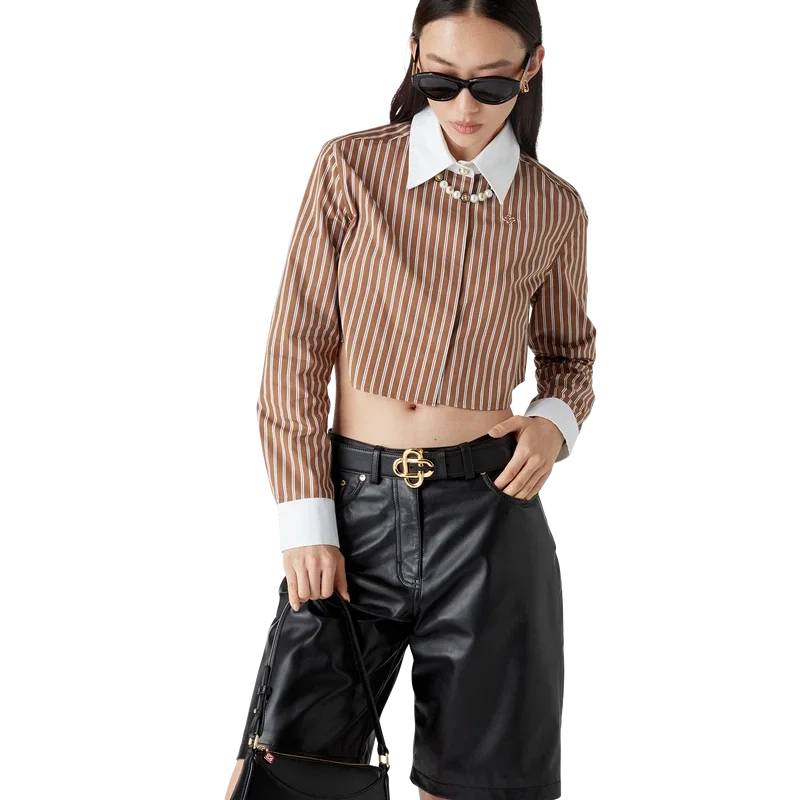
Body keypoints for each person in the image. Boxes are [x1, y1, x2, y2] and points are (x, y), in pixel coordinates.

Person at [230, 1, 595, 798]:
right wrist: (304, 518)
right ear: (413, 59)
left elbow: (573, 358)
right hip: (351, 510)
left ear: (531, 69)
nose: (464, 106)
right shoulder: (351, 168)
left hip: (490, 520)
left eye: (491, 85)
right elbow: (296, 353)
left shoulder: (553, 206)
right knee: (289, 775)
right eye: (440, 80)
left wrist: (552, 424)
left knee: (484, 785)